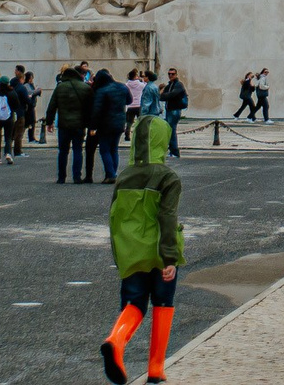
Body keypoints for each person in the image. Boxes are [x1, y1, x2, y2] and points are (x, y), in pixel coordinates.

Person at [101, 113, 183, 385]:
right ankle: (156, 369)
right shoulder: (168, 177)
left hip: (132, 251)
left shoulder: (124, 176)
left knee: (134, 303)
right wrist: (170, 257)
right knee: (163, 303)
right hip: (160, 252)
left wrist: (120, 253)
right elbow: (167, 217)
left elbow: (115, 217)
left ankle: (116, 340)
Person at [90, 67, 133, 184]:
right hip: (119, 121)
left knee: (104, 150)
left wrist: (93, 126)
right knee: (114, 149)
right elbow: (129, 101)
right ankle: (113, 172)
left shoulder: (102, 90)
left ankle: (110, 174)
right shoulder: (122, 87)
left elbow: (97, 110)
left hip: (105, 124)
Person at [53, 65, 94, 183]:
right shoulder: (85, 87)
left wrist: (49, 122)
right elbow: (90, 107)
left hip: (63, 124)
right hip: (79, 124)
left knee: (63, 151)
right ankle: (77, 176)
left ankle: (61, 177)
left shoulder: (60, 87)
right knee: (77, 150)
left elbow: (52, 105)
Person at [159, 69, 190, 157]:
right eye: (169, 74)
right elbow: (163, 96)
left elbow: (171, 95)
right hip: (169, 110)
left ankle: (175, 151)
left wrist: (164, 95)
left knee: (171, 130)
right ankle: (172, 150)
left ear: (176, 74)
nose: (170, 75)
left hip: (175, 110)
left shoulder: (178, 85)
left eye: (172, 74)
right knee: (169, 131)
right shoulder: (169, 85)